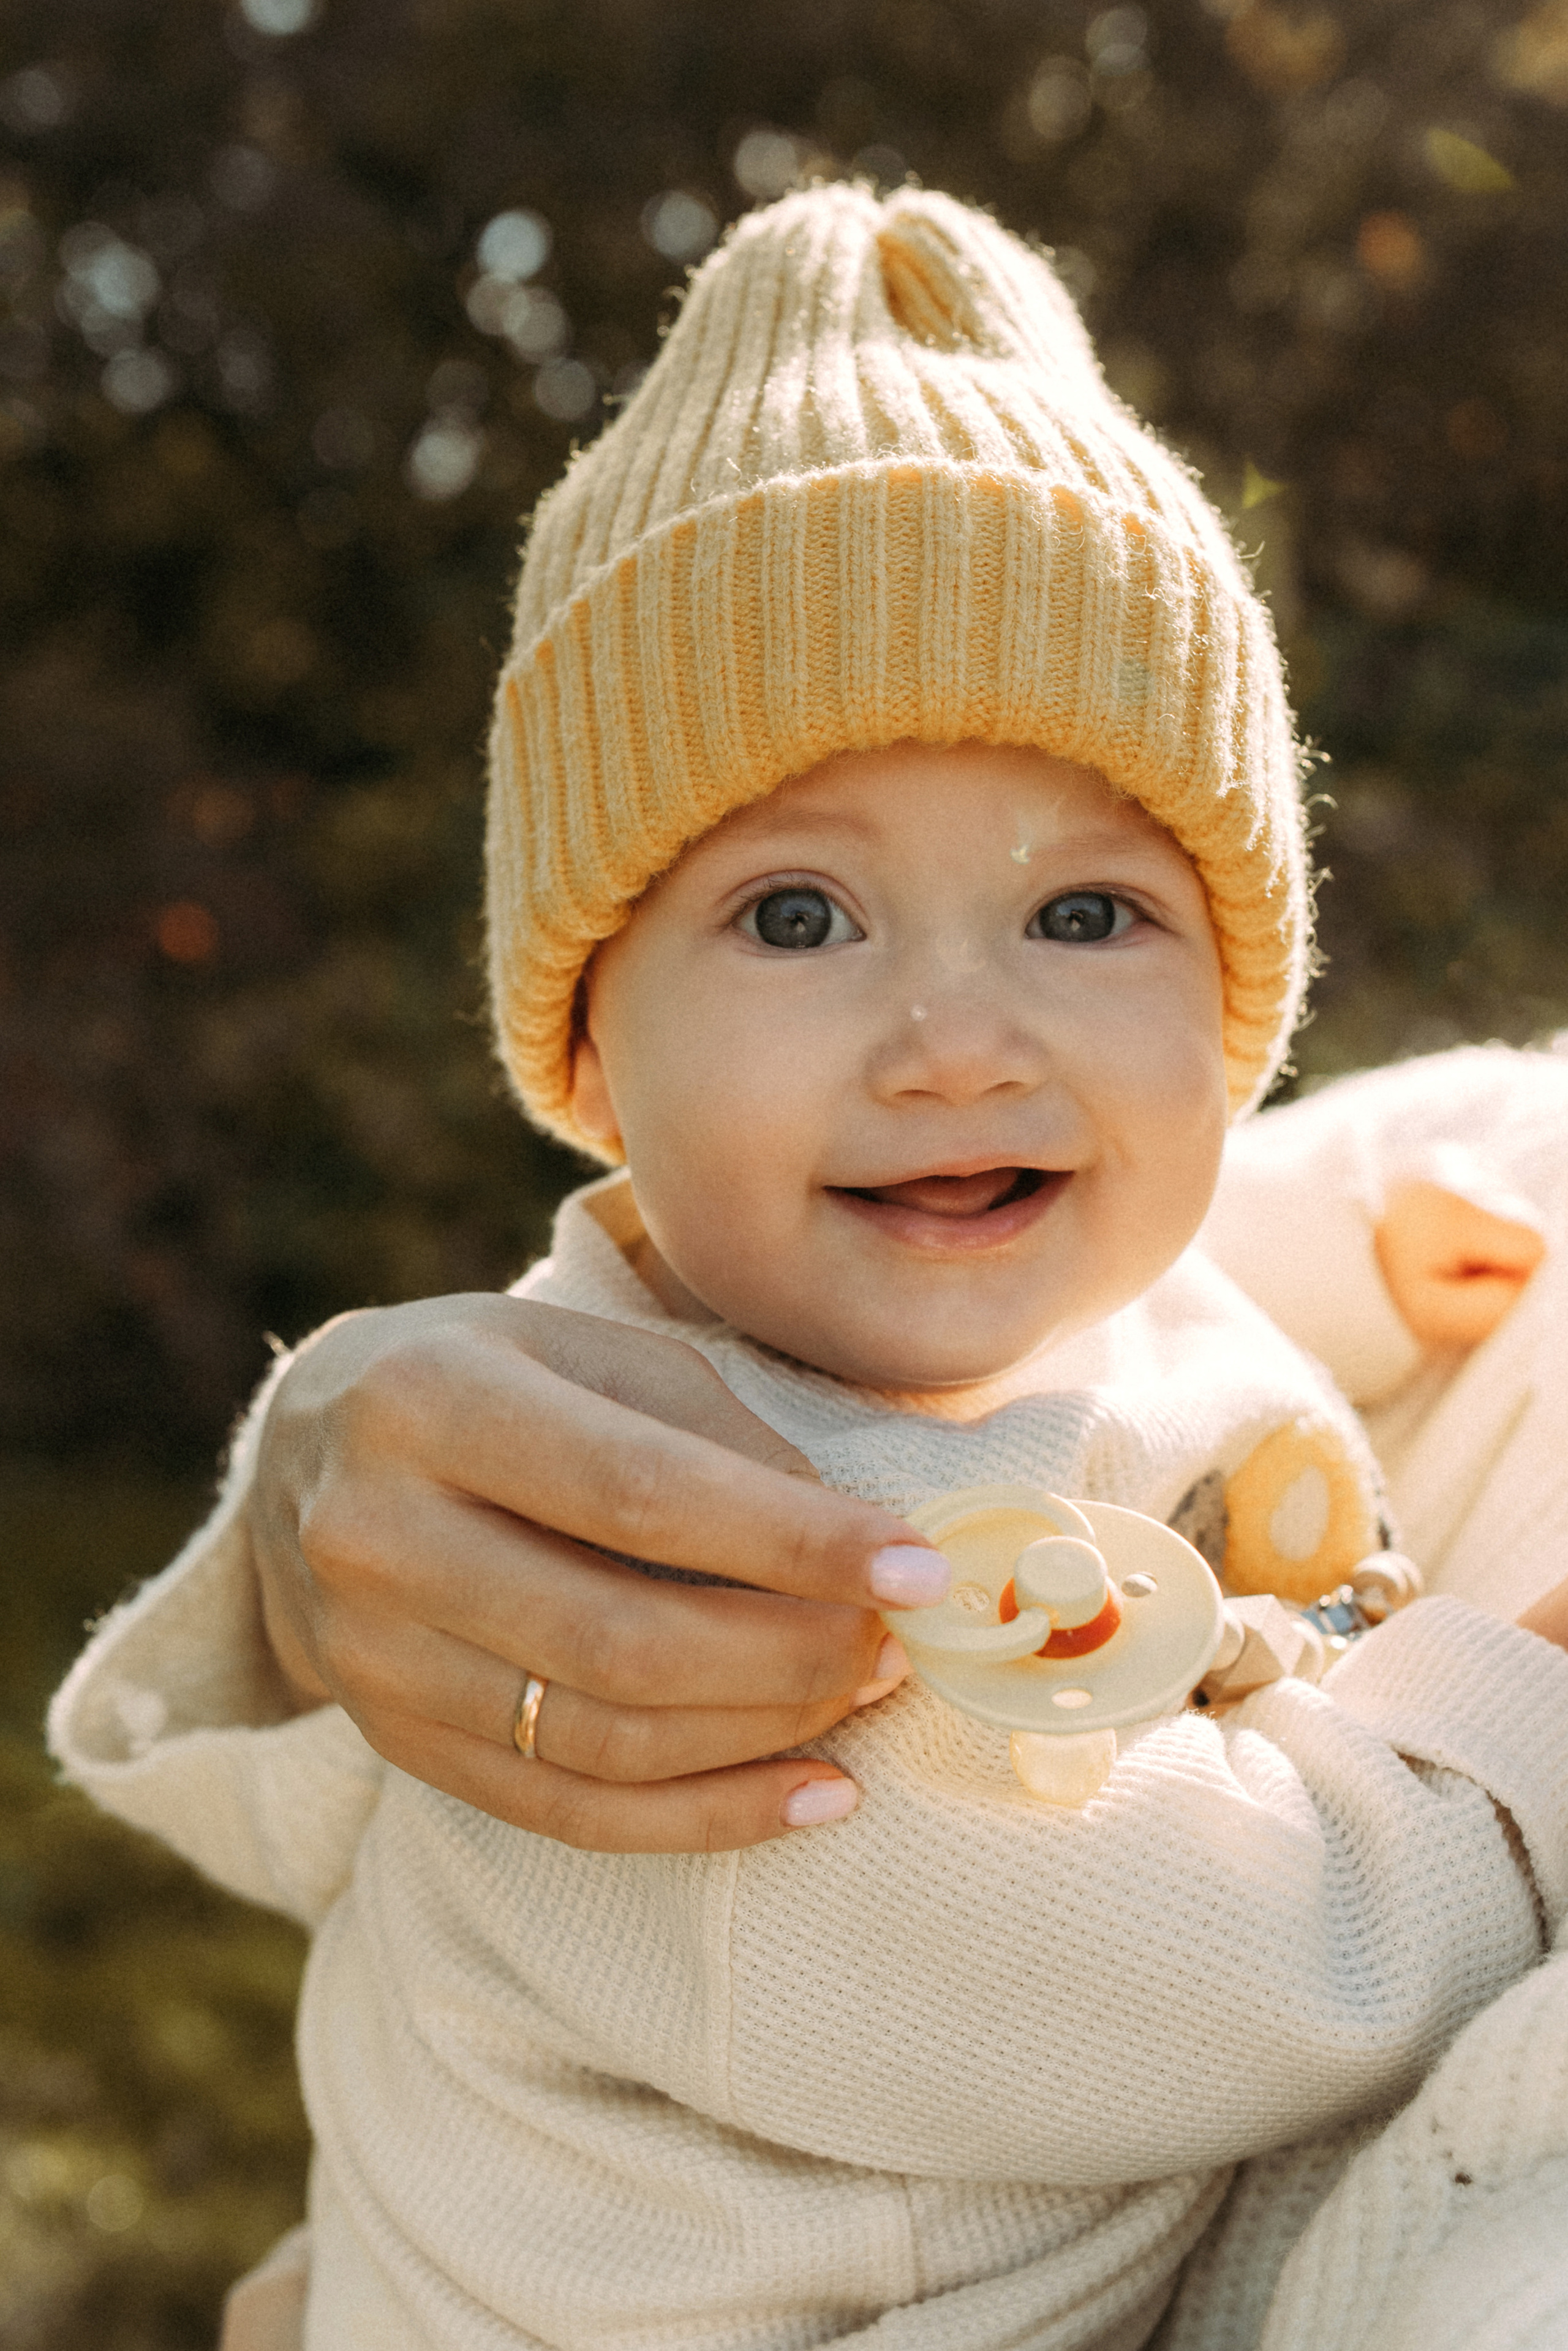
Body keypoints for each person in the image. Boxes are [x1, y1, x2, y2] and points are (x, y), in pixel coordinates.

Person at [49, 186, 1568, 2351]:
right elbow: (1217, 1968)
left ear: (1236, 1007)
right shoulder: (709, 1591)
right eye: (794, 918)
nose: (961, 1044)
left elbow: (1151, 1325)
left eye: (1086, 919)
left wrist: (1345, 1258)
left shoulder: (966, 1275)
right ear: (588, 1043)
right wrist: (1515, 1749)